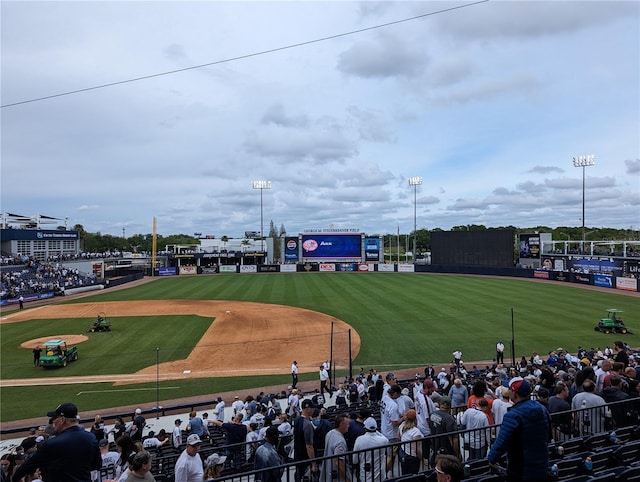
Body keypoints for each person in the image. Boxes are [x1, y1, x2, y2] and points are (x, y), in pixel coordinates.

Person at [11, 402, 101, 482]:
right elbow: (97, 465)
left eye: (54, 418)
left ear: (62, 420)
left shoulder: (51, 443)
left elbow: (28, 466)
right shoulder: (91, 438)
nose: (52, 421)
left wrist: (15, 478)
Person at [487, 377, 551, 482]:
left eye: (510, 390)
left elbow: (502, 442)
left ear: (515, 393)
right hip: (541, 464)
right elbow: (549, 435)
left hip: (521, 469)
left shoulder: (513, 415)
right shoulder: (542, 408)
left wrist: (491, 458)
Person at [353, 418, 391, 482]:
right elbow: (385, 439)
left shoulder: (359, 440)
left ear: (365, 428)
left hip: (365, 476)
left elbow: (355, 461)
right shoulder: (383, 440)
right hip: (380, 476)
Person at [428, 396, 459, 465]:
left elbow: (430, 429)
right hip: (446, 450)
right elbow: (453, 439)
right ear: (450, 406)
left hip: (435, 446)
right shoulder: (449, 418)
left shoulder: (433, 414)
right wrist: (457, 453)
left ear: (440, 405)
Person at [319, 414, 350, 482]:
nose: (349, 426)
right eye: (347, 424)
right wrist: (346, 479)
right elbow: (339, 462)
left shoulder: (329, 433)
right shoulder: (340, 441)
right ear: (341, 424)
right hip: (336, 476)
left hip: (328, 472)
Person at [293, 399, 317, 482]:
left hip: (297, 456)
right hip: (305, 458)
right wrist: (313, 463)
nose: (313, 410)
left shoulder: (297, 420)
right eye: (312, 408)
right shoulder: (307, 424)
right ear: (308, 409)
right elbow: (309, 446)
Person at [398, 409, 422, 475]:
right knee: (413, 476)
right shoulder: (415, 431)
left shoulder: (402, 426)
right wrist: (420, 456)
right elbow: (416, 448)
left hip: (403, 453)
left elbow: (399, 437)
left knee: (405, 475)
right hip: (412, 457)